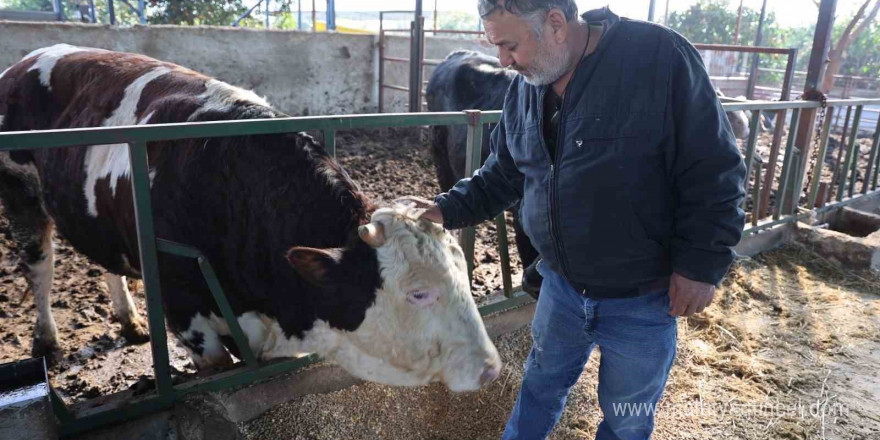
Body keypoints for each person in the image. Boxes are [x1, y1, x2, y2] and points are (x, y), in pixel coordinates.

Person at [400, 1, 746, 439]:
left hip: (642, 298)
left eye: (509, 45)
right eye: (497, 47)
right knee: (539, 386)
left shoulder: (658, 58)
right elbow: (506, 171)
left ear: (557, 24)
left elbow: (715, 168)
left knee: (627, 416)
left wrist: (700, 266)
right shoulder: (527, 83)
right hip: (560, 288)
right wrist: (443, 209)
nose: (503, 61)